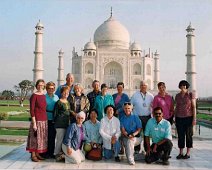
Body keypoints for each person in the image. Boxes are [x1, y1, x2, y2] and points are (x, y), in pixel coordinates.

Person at [26, 79, 48, 162]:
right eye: (39, 85)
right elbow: (32, 110)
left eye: (42, 85)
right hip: (37, 120)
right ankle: (33, 155)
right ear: (36, 85)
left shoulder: (43, 95)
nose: (40, 86)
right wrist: (34, 123)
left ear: (44, 86)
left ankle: (38, 153)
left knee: (41, 138)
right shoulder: (34, 95)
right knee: (34, 138)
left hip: (44, 120)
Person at [175, 80, 196, 159]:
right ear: (179, 86)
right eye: (181, 85)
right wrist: (175, 116)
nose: (183, 87)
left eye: (184, 85)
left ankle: (188, 153)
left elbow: (194, 107)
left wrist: (194, 119)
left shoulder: (191, 95)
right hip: (179, 118)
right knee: (180, 136)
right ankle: (180, 152)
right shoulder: (177, 96)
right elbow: (176, 107)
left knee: (188, 135)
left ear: (187, 86)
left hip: (188, 118)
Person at [131, 80, 154, 152]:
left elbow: (153, 106)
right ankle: (137, 150)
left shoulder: (151, 96)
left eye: (145, 85)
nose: (143, 86)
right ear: (140, 86)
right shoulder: (135, 95)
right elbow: (130, 105)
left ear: (147, 86)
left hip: (147, 117)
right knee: (137, 133)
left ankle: (147, 149)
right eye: (142, 85)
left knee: (146, 134)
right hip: (137, 117)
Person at [54, 86, 71, 161]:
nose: (66, 94)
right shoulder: (59, 102)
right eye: (64, 92)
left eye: (67, 92)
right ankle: (56, 153)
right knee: (59, 139)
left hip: (66, 123)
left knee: (64, 140)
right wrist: (55, 122)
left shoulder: (67, 102)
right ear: (61, 93)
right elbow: (55, 113)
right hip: (60, 123)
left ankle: (62, 154)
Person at [45, 81, 59, 158]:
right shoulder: (44, 97)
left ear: (54, 89)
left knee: (52, 136)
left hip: (54, 118)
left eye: (52, 88)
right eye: (49, 88)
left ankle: (51, 152)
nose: (51, 90)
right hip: (46, 118)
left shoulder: (56, 97)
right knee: (46, 136)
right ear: (47, 89)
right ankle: (45, 152)